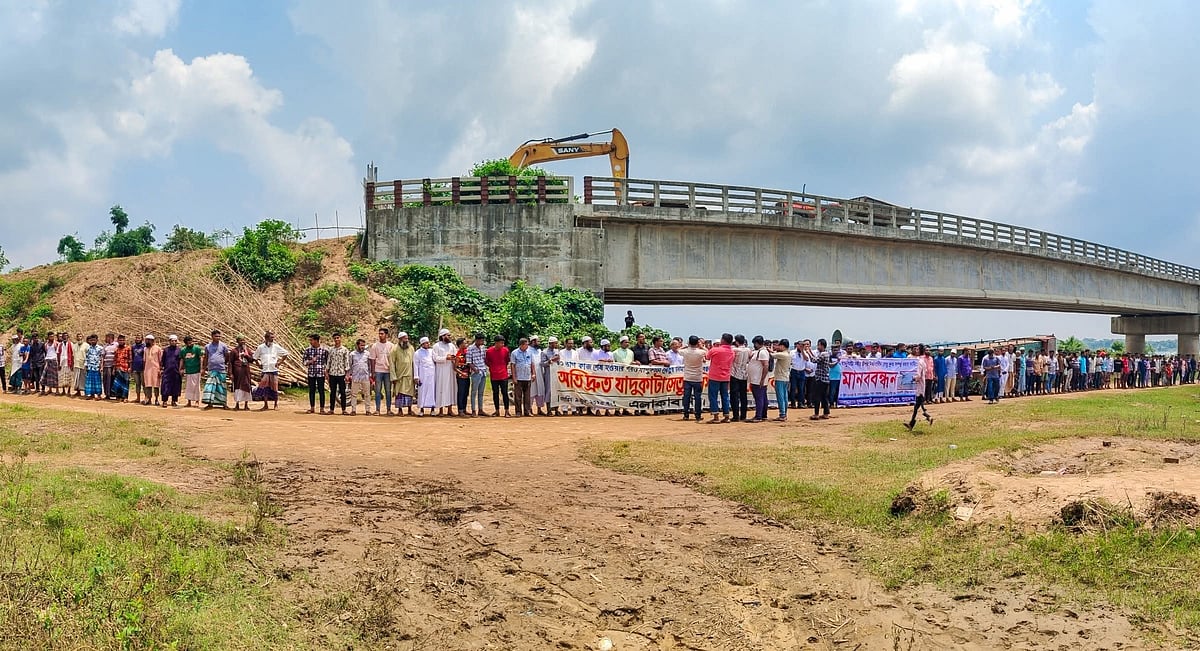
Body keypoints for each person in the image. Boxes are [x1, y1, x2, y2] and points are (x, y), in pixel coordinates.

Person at [252, 331, 287, 410]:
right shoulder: (260, 347)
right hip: (265, 370)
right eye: (271, 338)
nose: (272, 339)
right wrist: (258, 364)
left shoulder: (276, 347)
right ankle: (265, 404)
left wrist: (279, 363)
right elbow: (255, 357)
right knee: (265, 388)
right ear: (266, 338)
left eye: (273, 338)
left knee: (275, 387)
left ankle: (275, 404)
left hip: (273, 369)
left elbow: (285, 354)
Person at [905, 344, 935, 431]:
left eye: (917, 349)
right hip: (920, 386)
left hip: (919, 386)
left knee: (918, 404)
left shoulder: (919, 362)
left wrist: (912, 378)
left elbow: (918, 375)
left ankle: (928, 417)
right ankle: (912, 423)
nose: (915, 350)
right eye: (914, 349)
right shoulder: (919, 360)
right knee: (918, 405)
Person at [705, 334, 734, 423]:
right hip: (725, 376)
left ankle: (716, 416)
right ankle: (726, 416)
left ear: (723, 340)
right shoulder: (732, 352)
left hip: (715, 376)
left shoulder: (715, 350)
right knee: (725, 396)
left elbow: (707, 357)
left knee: (713, 396)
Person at [368, 329, 395, 416]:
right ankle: (377, 409)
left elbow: (394, 359)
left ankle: (388, 409)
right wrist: (373, 372)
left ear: (386, 335)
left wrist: (393, 371)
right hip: (378, 370)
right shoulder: (375, 346)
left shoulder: (391, 346)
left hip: (388, 371)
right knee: (378, 391)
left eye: (382, 334)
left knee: (388, 391)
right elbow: (372, 359)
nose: (380, 335)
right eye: (379, 334)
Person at [202, 330, 231, 410]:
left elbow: (227, 356)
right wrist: (203, 369)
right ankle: (210, 403)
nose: (218, 338)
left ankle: (224, 403)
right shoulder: (208, 346)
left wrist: (225, 363)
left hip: (221, 369)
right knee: (210, 387)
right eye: (216, 336)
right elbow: (206, 358)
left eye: (219, 336)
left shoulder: (223, 346)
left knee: (222, 387)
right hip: (211, 369)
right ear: (212, 336)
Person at [679, 336, 705, 422]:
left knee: (686, 396)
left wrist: (686, 345)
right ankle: (698, 415)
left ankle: (686, 414)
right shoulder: (701, 352)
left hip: (687, 377)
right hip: (698, 377)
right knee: (698, 397)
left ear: (689, 342)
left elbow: (679, 349)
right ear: (697, 342)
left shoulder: (685, 351)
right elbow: (708, 353)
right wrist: (701, 346)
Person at [432, 328, 457, 416]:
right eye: (448, 335)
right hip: (441, 371)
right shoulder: (436, 346)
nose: (449, 337)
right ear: (442, 336)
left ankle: (450, 410)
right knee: (441, 389)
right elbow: (435, 358)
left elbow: (456, 356)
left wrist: (453, 358)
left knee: (450, 389)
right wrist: (445, 358)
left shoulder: (452, 346)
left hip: (450, 370)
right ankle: (441, 410)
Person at [389, 332, 415, 415]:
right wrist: (393, 376)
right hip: (399, 375)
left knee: (409, 393)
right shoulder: (394, 349)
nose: (406, 340)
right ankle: (400, 410)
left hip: (409, 374)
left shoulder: (411, 348)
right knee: (399, 393)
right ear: (400, 339)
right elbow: (391, 363)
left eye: (407, 338)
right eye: (405, 338)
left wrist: (416, 375)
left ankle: (409, 409)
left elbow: (414, 362)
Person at [302, 334, 328, 414]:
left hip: (321, 373)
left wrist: (326, 371)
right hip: (311, 373)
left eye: (311, 340)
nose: (310, 342)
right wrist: (310, 361)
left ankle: (322, 408)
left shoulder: (324, 350)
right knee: (311, 390)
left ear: (316, 340)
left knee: (321, 391)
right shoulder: (307, 350)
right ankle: (312, 407)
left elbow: (327, 362)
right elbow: (304, 362)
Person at [485, 335, 511, 417]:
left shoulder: (505, 350)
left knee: (505, 393)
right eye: (501, 343)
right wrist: (493, 368)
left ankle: (507, 411)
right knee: (495, 393)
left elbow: (507, 360)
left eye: (503, 343)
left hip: (503, 375)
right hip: (494, 375)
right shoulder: (489, 351)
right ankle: (497, 410)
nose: (502, 344)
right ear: (496, 343)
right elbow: (487, 361)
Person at [747, 335, 771, 423]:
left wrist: (762, 378)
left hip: (758, 378)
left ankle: (759, 416)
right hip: (757, 378)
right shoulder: (760, 351)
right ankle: (763, 414)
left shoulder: (762, 352)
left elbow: (765, 365)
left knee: (759, 397)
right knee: (762, 397)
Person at [811, 338, 836, 420]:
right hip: (825, 379)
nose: (818, 346)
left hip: (820, 379)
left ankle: (816, 414)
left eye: (818, 344)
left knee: (817, 396)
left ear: (822, 345)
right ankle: (826, 413)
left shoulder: (823, 354)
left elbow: (814, 360)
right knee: (824, 396)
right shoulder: (827, 354)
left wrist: (807, 352)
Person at [327, 332, 350, 415]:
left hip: (341, 373)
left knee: (342, 392)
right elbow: (329, 361)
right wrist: (327, 372)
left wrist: (347, 374)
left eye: (338, 338)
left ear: (340, 338)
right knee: (332, 392)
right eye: (335, 338)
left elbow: (346, 362)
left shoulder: (345, 350)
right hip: (332, 373)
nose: (336, 339)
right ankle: (331, 409)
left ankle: (344, 409)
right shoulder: (331, 350)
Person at [510, 338, 535, 417]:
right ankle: (518, 411)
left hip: (527, 377)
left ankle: (527, 411)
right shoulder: (515, 353)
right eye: (526, 344)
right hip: (519, 377)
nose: (527, 346)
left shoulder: (530, 352)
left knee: (527, 396)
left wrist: (533, 374)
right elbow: (513, 365)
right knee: (518, 396)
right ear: (522, 345)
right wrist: (514, 377)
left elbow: (532, 364)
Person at [230, 335, 255, 411]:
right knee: (237, 387)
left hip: (246, 372)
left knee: (247, 386)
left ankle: (246, 405)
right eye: (241, 340)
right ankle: (237, 404)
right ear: (237, 341)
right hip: (237, 372)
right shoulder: (234, 351)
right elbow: (230, 363)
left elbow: (251, 360)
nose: (243, 342)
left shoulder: (247, 350)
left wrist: (246, 355)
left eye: (244, 340)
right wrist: (230, 373)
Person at [729, 335, 750, 422]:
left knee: (734, 396)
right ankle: (743, 415)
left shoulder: (734, 349)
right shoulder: (748, 350)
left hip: (735, 374)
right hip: (744, 374)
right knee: (743, 396)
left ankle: (735, 415)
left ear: (737, 342)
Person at [348, 338, 372, 415]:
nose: (363, 347)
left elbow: (369, 365)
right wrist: (349, 375)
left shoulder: (367, 354)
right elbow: (350, 365)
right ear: (357, 345)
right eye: (361, 345)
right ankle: (353, 410)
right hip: (355, 376)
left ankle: (368, 410)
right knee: (354, 394)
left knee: (367, 394)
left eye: (364, 345)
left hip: (365, 376)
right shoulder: (352, 354)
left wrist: (370, 375)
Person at [467, 333, 488, 416]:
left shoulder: (483, 348)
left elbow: (484, 358)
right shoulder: (470, 349)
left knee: (481, 392)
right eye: (481, 340)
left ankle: (480, 409)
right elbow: (469, 362)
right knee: (474, 392)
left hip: (483, 371)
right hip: (476, 372)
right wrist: (475, 370)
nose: (482, 342)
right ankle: (473, 410)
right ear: (477, 340)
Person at [413, 336, 436, 416]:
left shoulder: (431, 351)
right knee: (422, 392)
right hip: (422, 375)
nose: (428, 344)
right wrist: (416, 377)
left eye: (428, 342)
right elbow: (415, 365)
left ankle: (432, 409)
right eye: (426, 343)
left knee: (432, 392)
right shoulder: (417, 353)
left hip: (432, 375)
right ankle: (422, 409)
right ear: (422, 344)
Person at [179, 335, 204, 408]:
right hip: (188, 370)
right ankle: (189, 401)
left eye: (191, 341)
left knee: (196, 386)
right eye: (188, 342)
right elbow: (182, 360)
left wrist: (201, 368)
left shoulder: (197, 348)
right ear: (186, 343)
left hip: (196, 370)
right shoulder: (183, 350)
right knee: (188, 387)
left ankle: (197, 401)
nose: (190, 343)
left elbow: (201, 358)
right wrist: (180, 369)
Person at [771, 339, 792, 421]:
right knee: (784, 396)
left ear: (783, 346)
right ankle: (784, 413)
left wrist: (771, 349)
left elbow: (772, 355)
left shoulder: (783, 354)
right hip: (785, 377)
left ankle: (782, 414)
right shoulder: (788, 354)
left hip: (780, 377)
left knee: (780, 397)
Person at [110, 334, 132, 402]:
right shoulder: (116, 349)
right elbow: (115, 359)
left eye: (122, 340)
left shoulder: (128, 348)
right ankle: (118, 396)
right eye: (120, 340)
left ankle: (125, 397)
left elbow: (130, 359)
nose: (121, 341)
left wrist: (130, 367)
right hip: (118, 368)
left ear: (125, 341)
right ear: (118, 341)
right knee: (118, 383)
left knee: (126, 383)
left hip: (125, 368)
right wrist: (113, 369)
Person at [142, 335, 162, 405]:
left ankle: (156, 399)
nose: (147, 341)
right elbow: (144, 360)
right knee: (148, 384)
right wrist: (144, 369)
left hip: (156, 369)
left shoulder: (158, 349)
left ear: (153, 341)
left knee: (156, 385)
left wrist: (161, 369)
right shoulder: (145, 349)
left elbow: (160, 360)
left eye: (149, 340)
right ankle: (149, 399)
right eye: (146, 340)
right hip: (147, 369)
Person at [83, 334, 104, 400]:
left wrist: (101, 367)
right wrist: (86, 365)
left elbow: (102, 358)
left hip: (97, 367)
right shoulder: (89, 348)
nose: (93, 341)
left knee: (97, 381)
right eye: (91, 340)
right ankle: (91, 395)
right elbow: (87, 357)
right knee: (90, 381)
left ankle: (99, 395)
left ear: (97, 340)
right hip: (90, 367)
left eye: (94, 340)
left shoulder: (100, 348)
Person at [454, 338, 471, 417]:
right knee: (461, 393)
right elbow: (455, 367)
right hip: (461, 377)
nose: (466, 344)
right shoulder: (458, 355)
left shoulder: (466, 353)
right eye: (464, 343)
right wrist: (462, 373)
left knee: (466, 393)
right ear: (460, 345)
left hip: (467, 375)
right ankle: (460, 410)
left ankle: (464, 409)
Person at [131, 335, 146, 404]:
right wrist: (131, 367)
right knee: (137, 384)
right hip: (135, 367)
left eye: (139, 338)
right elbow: (132, 357)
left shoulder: (144, 346)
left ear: (142, 339)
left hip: (143, 368)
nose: (137, 339)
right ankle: (138, 398)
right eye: (136, 338)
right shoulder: (133, 347)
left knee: (144, 383)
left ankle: (146, 397)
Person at [100, 333, 116, 398]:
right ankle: (107, 394)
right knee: (106, 380)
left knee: (112, 379)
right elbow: (102, 357)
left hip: (113, 365)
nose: (105, 339)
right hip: (106, 365)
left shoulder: (116, 345)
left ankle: (112, 393)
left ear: (110, 338)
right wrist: (101, 366)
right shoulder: (105, 346)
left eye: (106, 338)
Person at [72, 333, 87, 398]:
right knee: (77, 379)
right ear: (76, 338)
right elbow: (73, 355)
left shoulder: (86, 345)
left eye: (80, 336)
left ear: (82, 337)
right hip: (76, 364)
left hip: (83, 364)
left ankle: (85, 393)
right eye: (78, 336)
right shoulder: (74, 345)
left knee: (83, 379)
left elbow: (88, 355)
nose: (79, 338)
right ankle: (78, 392)